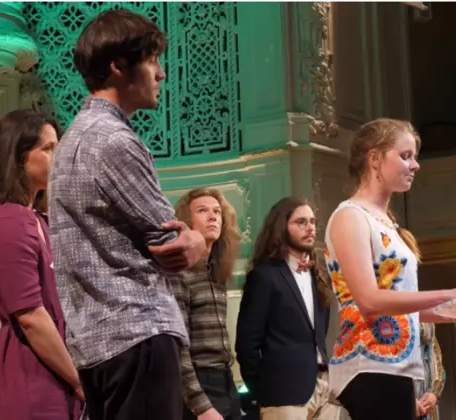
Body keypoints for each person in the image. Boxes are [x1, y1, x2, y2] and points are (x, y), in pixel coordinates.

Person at [48, 9, 207, 420]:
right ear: (119, 66)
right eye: (152, 61)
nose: (162, 74)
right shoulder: (114, 140)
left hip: (96, 342)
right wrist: (198, 239)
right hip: (137, 335)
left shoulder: (72, 140)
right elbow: (171, 242)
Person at [322, 117, 456, 420]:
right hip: (369, 363)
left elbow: (404, 308)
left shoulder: (387, 224)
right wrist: (451, 292)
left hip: (396, 365)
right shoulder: (350, 216)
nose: (416, 165)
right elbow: (369, 301)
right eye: (405, 156)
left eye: (415, 157)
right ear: (374, 158)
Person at [0, 109, 83, 420]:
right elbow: (30, 316)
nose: (58, 157)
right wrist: (79, 379)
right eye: (48, 149)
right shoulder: (7, 219)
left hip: (57, 370)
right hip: (33, 375)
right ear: (17, 157)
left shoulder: (39, 220)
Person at [236, 196, 343, 420]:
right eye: (301, 222)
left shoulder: (319, 276)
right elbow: (247, 344)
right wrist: (264, 390)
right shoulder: (265, 276)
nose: (310, 228)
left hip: (323, 388)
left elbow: (319, 336)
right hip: (282, 394)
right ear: (281, 227)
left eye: (313, 222)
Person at [172, 187, 242, 420]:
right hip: (199, 384)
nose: (213, 217)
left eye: (217, 211)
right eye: (202, 211)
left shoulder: (217, 272)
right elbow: (178, 348)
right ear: (186, 221)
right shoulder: (180, 273)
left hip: (225, 381)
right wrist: (200, 406)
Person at [415, 323, 445, 420]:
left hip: (426, 403)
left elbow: (434, 353)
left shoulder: (425, 317)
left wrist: (434, 392)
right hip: (397, 398)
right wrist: (405, 398)